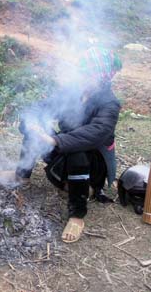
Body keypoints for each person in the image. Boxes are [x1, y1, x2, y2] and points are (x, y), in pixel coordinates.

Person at [13, 47, 122, 243]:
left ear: (100, 76)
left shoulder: (110, 103)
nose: (81, 75)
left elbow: (96, 132)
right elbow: (45, 106)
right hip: (66, 149)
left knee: (76, 152)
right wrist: (33, 120)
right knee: (33, 127)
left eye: (86, 72)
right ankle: (22, 175)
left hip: (92, 163)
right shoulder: (73, 91)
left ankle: (77, 215)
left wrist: (56, 140)